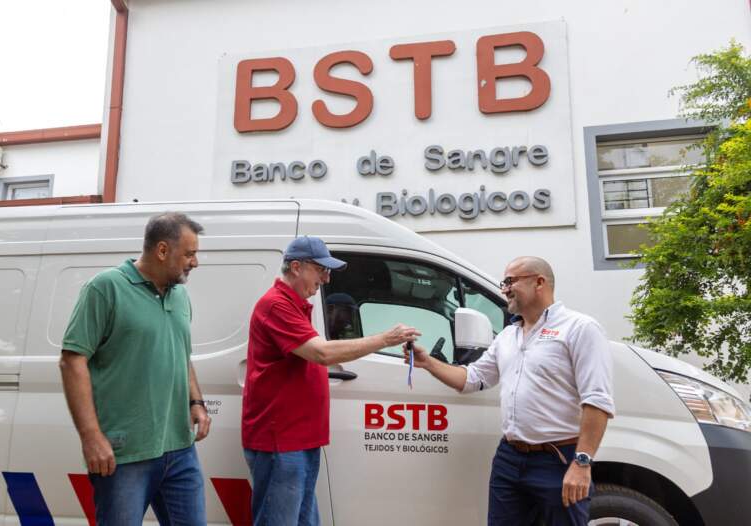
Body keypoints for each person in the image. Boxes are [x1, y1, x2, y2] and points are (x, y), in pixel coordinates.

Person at [404, 256, 614, 526]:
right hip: (509, 458)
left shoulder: (580, 328)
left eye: (510, 281)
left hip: (558, 460)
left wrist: (582, 463)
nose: (504, 289)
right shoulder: (507, 336)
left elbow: (596, 400)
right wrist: (427, 363)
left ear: (539, 282)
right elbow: (473, 379)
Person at [242, 236, 420, 526]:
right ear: (296, 267)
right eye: (321, 270)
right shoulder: (276, 305)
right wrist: (384, 339)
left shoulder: (296, 304)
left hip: (298, 439)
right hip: (282, 440)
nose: (326, 279)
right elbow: (321, 353)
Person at [59, 212, 211, 526]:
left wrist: (196, 401)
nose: (195, 262)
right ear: (163, 250)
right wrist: (91, 437)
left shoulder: (180, 295)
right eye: (190, 253)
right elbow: (72, 360)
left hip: (180, 449)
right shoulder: (105, 288)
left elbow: (181, 353)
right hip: (125, 454)